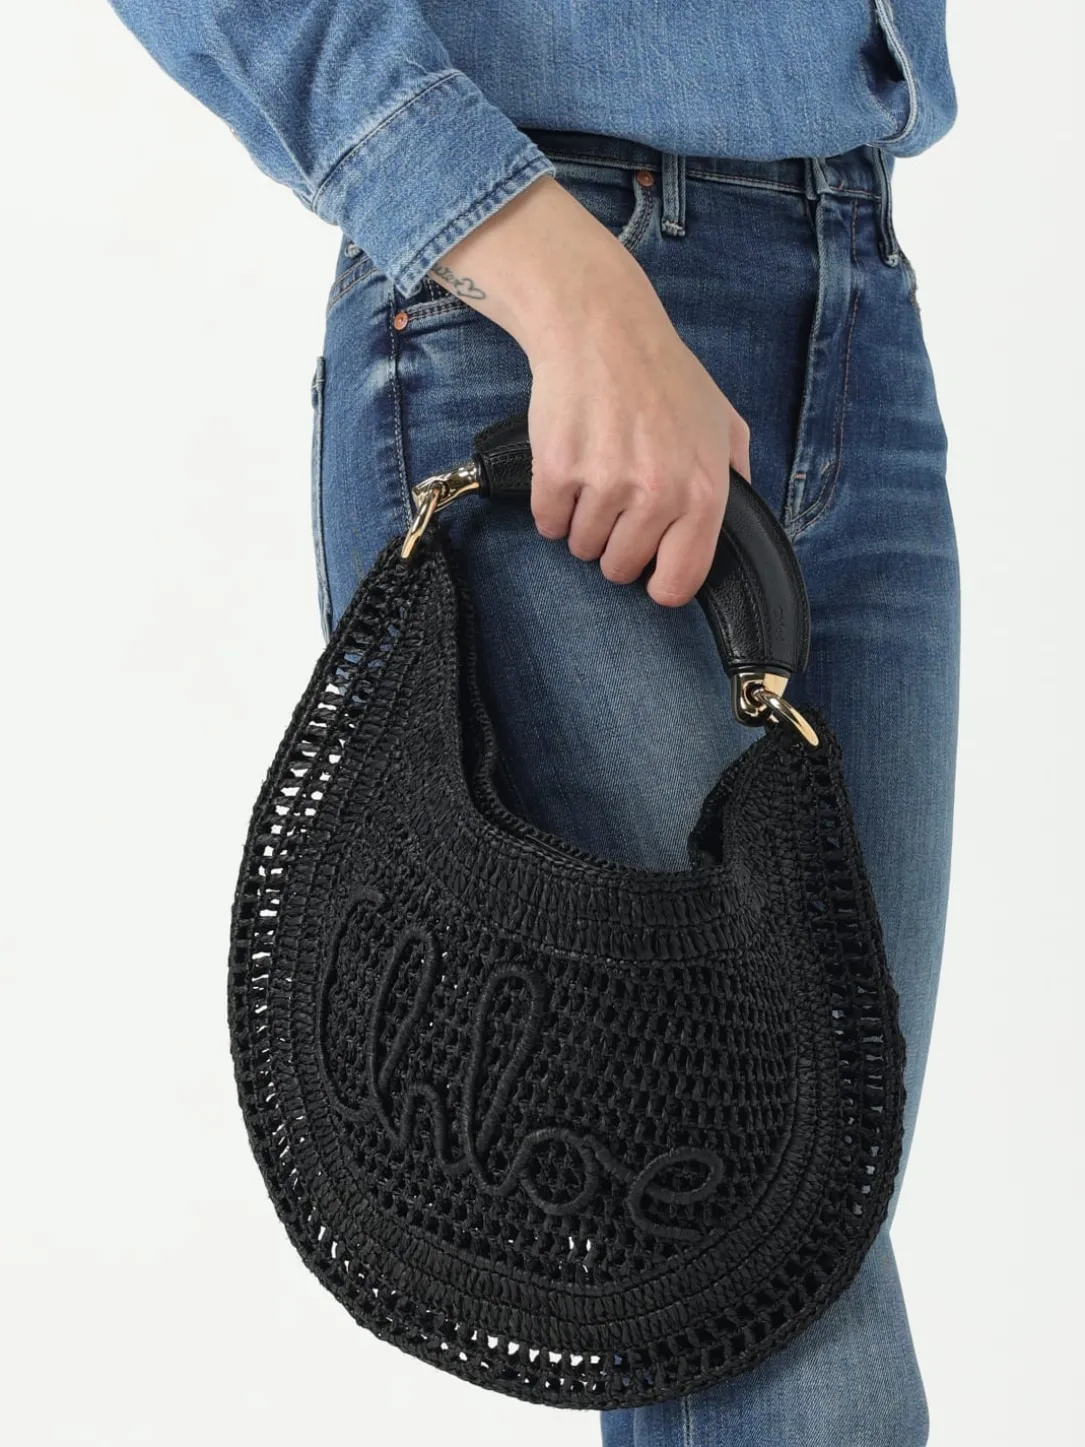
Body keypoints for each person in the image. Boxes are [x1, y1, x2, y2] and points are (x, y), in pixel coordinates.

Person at [106, 4, 960, 1443]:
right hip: (541, 327)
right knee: (789, 1332)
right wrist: (564, 284)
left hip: (858, 304)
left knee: (782, 1264)